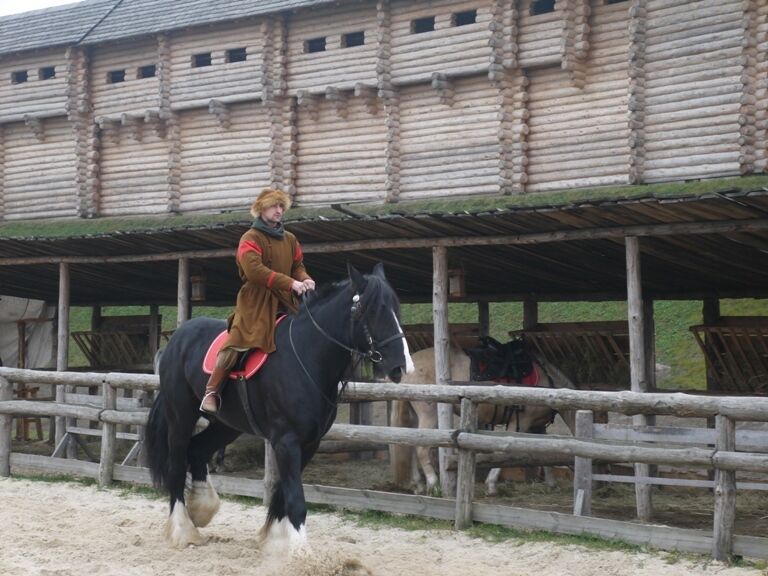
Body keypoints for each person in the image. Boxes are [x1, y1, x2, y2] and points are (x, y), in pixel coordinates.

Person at [200, 187, 315, 413]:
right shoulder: (249, 238)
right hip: (256, 302)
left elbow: (297, 267)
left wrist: (306, 279)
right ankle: (211, 391)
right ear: (261, 208)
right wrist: (291, 283)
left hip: (286, 301)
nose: (279, 210)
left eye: (281, 206)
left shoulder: (290, 239)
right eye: (274, 205)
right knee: (239, 340)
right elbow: (254, 271)